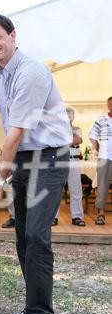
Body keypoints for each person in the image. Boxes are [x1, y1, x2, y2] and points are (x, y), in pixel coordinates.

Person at [0, 14, 71, 314]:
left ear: (13, 35)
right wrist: (4, 172)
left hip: (49, 158)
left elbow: (15, 133)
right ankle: (33, 308)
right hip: (26, 159)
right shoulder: (2, 76)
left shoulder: (30, 72)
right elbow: (11, 135)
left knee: (36, 236)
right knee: (21, 236)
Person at [89, 96, 112, 225]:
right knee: (102, 186)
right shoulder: (102, 119)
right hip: (105, 157)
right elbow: (92, 135)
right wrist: (98, 148)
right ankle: (101, 214)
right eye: (110, 105)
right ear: (108, 105)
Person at [65, 106, 86, 226]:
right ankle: (54, 217)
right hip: (60, 160)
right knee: (56, 190)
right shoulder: (57, 129)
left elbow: (79, 140)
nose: (69, 116)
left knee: (76, 189)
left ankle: (77, 216)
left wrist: (65, 141)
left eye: (71, 114)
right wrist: (70, 140)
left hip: (74, 160)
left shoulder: (77, 128)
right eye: (67, 114)